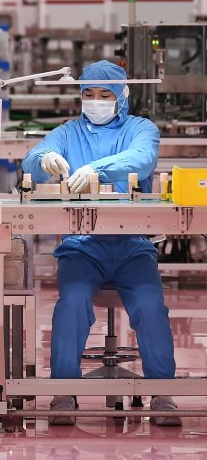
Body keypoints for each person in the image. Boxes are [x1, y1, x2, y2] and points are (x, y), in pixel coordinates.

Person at [21, 60, 179, 426]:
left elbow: (143, 158)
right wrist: (45, 159)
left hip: (132, 245)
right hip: (82, 247)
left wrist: (97, 169)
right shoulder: (67, 132)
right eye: (88, 94)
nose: (95, 101)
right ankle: (63, 392)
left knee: (151, 306)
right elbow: (29, 162)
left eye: (104, 94)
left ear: (121, 97)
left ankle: (163, 394)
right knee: (71, 304)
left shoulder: (142, 128)